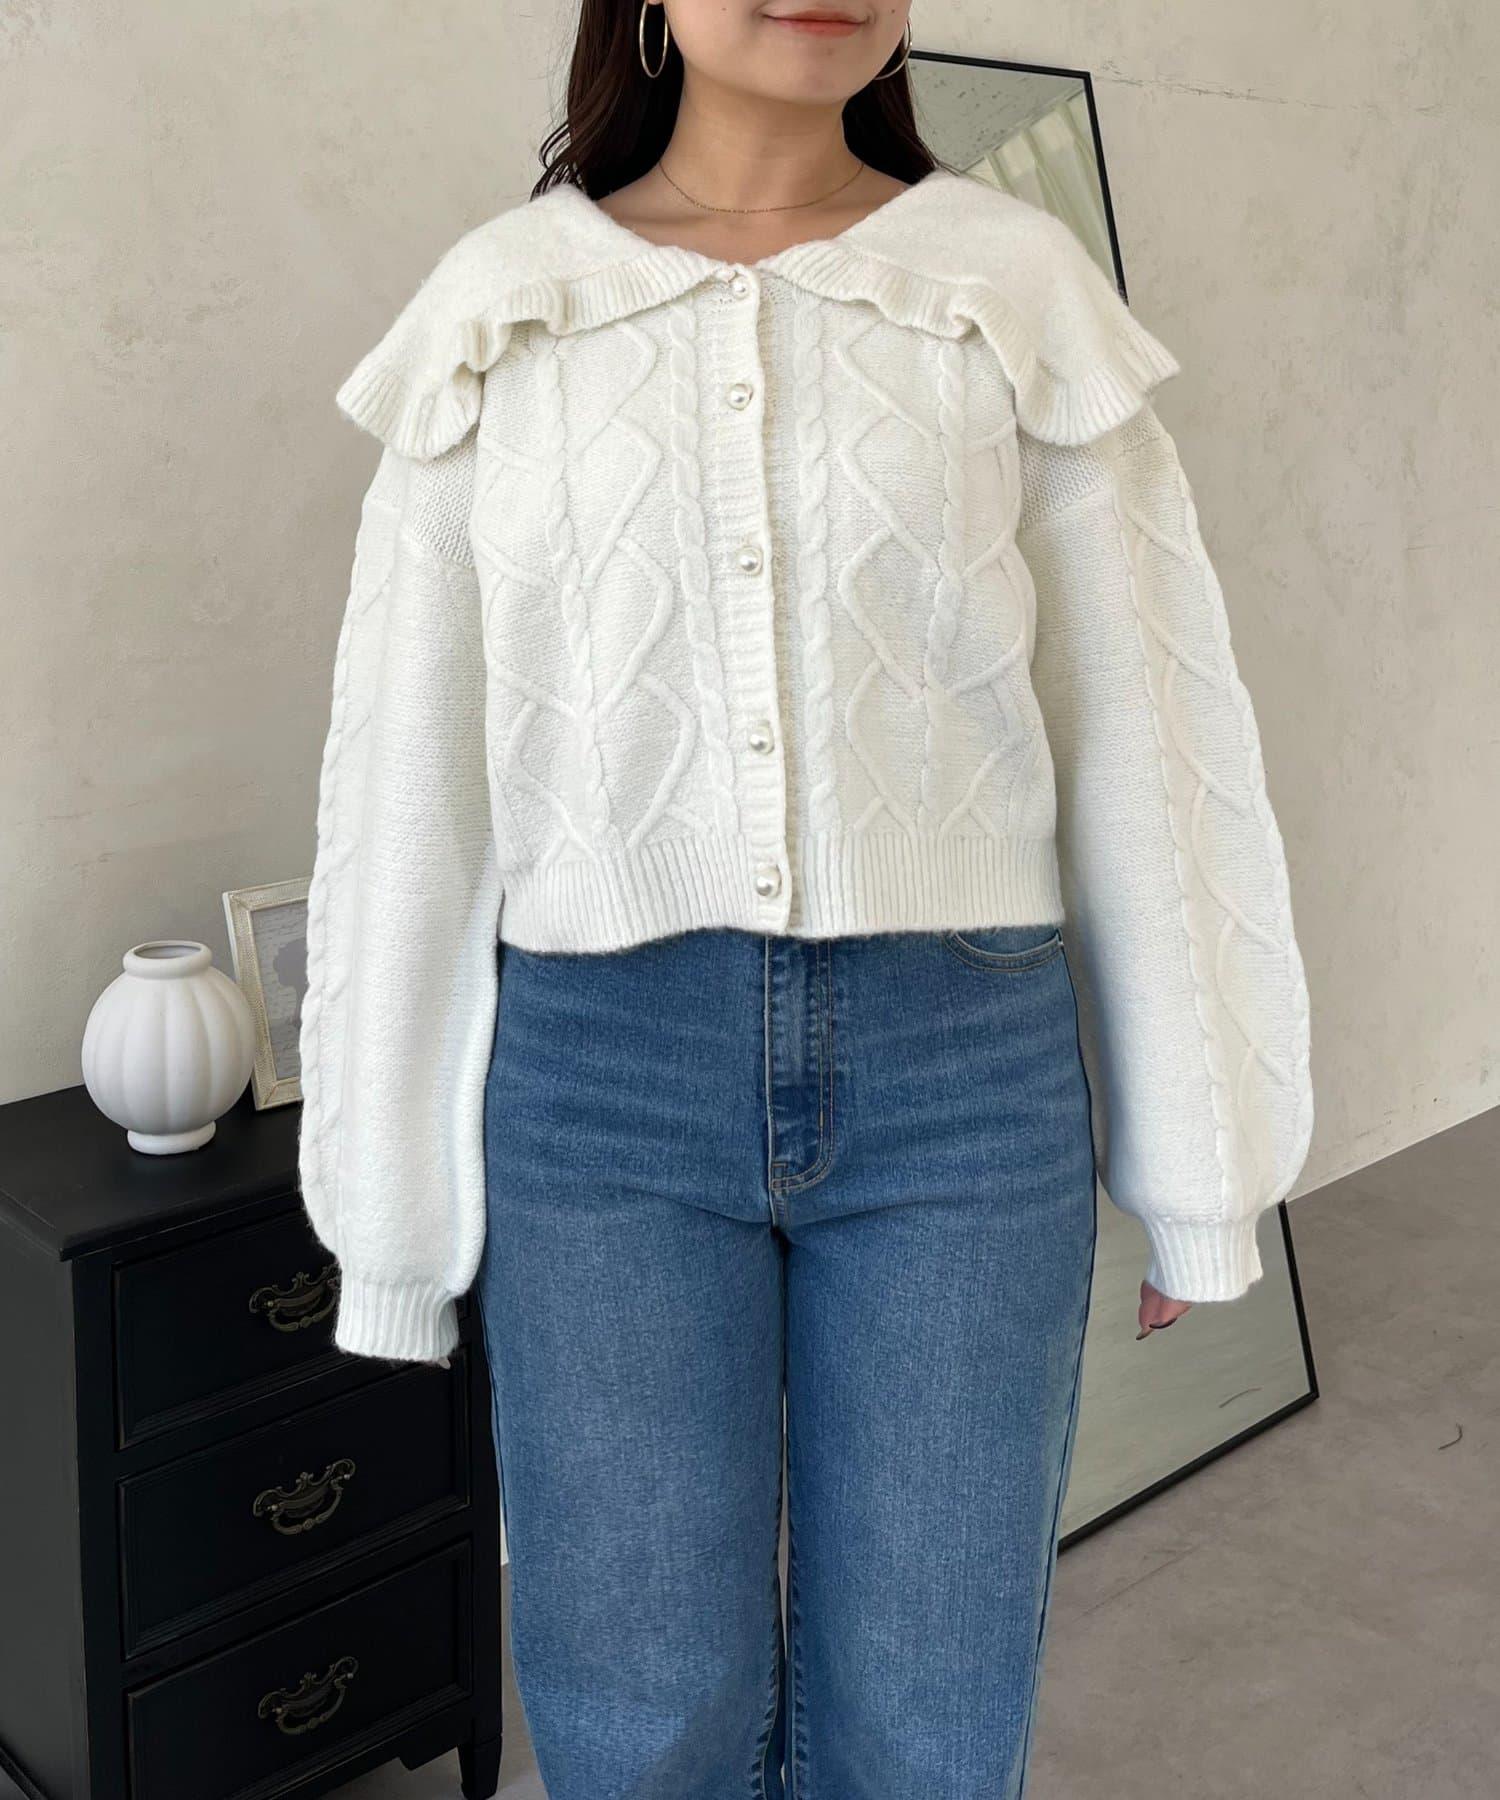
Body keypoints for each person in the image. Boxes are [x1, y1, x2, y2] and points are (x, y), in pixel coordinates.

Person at [296, 3, 1314, 1794]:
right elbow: (407, 783)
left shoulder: (1008, 287)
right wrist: (389, 1218)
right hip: (601, 1089)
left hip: (964, 1075)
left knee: (930, 1722)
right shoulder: (505, 307)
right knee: (642, 1721)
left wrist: (1201, 1159)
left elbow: (1149, 727)